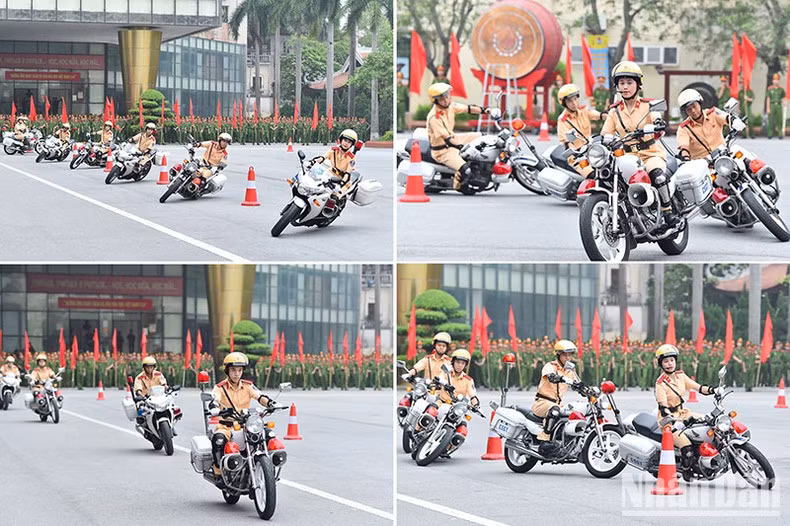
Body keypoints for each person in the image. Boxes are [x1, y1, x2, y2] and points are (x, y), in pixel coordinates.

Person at [602, 61, 674, 222]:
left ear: (638, 84)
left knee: (658, 176)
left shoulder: (648, 105)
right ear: (617, 86)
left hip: (649, 154)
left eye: (629, 82)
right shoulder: (614, 111)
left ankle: (668, 210)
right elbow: (606, 133)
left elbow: (656, 119)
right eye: (622, 83)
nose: (625, 87)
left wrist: (657, 125)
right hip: (626, 157)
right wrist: (605, 141)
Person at [654, 344, 719, 481]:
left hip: (683, 413)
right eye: (666, 361)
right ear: (661, 364)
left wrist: (714, 390)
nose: (669, 363)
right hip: (668, 419)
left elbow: (698, 387)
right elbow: (663, 406)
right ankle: (686, 470)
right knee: (686, 446)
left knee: (709, 422)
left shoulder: (680, 376)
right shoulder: (660, 383)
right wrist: (672, 419)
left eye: (671, 360)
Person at [208, 352, 273, 475]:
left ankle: (269, 469)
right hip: (227, 426)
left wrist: (270, 403)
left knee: (268, 434)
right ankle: (218, 471)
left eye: (239, 370)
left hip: (246, 426)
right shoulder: (220, 388)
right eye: (233, 370)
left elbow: (259, 396)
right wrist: (214, 407)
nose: (237, 373)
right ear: (227, 370)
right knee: (218, 439)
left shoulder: (248, 386)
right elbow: (215, 399)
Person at [425, 82, 494, 192]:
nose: (446, 100)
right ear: (435, 100)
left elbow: (468, 108)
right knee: (465, 169)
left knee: (481, 137)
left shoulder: (450, 106)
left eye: (447, 96)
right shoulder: (434, 117)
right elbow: (447, 138)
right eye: (442, 99)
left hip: (454, 139)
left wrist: (486, 110)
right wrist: (462, 147)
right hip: (443, 151)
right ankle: (458, 185)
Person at [530, 340, 580, 456]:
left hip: (558, 404)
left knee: (572, 414)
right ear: (558, 354)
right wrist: (559, 378)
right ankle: (544, 440)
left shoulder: (570, 370)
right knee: (555, 411)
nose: (568, 357)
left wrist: (586, 389)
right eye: (565, 355)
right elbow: (551, 377)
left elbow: (577, 383)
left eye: (570, 355)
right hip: (543, 402)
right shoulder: (550, 366)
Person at [556, 83, 607, 177]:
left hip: (590, 148)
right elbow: (566, 142)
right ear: (564, 103)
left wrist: (610, 115)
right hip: (576, 154)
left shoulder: (584, 111)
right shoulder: (563, 120)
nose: (574, 103)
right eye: (570, 101)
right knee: (592, 175)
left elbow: (597, 115)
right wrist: (573, 148)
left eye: (575, 99)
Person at [675, 89, 728, 161]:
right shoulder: (684, 128)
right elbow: (684, 147)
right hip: (703, 165)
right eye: (689, 109)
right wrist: (685, 156)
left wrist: (734, 121)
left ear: (699, 103)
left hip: (723, 156)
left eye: (694, 106)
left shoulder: (713, 113)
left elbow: (727, 118)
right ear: (685, 111)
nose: (693, 111)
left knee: (741, 157)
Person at [321, 128, 360, 199]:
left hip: (343, 179)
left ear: (351, 144)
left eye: (349, 142)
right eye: (345, 140)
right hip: (331, 174)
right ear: (341, 140)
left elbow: (347, 174)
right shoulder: (333, 150)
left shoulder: (352, 158)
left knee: (334, 197)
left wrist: (341, 183)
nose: (346, 143)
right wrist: (312, 162)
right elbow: (323, 157)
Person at [765, 73, 786, 140]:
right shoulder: (770, 89)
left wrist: (784, 103)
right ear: (772, 81)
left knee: (780, 120)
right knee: (771, 120)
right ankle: (770, 134)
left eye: (777, 79)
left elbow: (783, 97)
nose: (775, 81)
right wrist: (768, 108)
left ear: (779, 81)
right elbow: (768, 98)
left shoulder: (781, 89)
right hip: (772, 105)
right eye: (774, 80)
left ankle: (780, 134)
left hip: (779, 105)